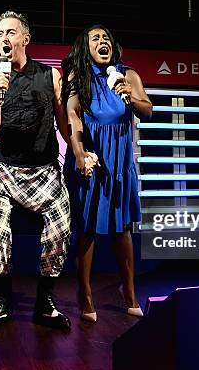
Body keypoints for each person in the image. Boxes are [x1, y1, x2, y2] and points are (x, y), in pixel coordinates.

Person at [0, 11, 72, 331]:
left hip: (45, 170)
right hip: (5, 171)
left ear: (25, 39)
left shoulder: (50, 76)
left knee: (60, 228)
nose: (4, 38)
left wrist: (80, 151)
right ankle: (3, 301)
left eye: (11, 32)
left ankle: (45, 302)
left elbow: (64, 121)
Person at [61, 25, 152, 323]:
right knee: (87, 229)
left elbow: (147, 111)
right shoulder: (79, 78)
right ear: (85, 48)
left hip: (120, 163)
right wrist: (79, 152)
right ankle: (85, 295)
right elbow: (73, 114)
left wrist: (131, 95)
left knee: (122, 229)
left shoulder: (130, 75)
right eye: (96, 39)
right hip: (93, 159)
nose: (103, 42)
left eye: (107, 39)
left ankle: (129, 293)